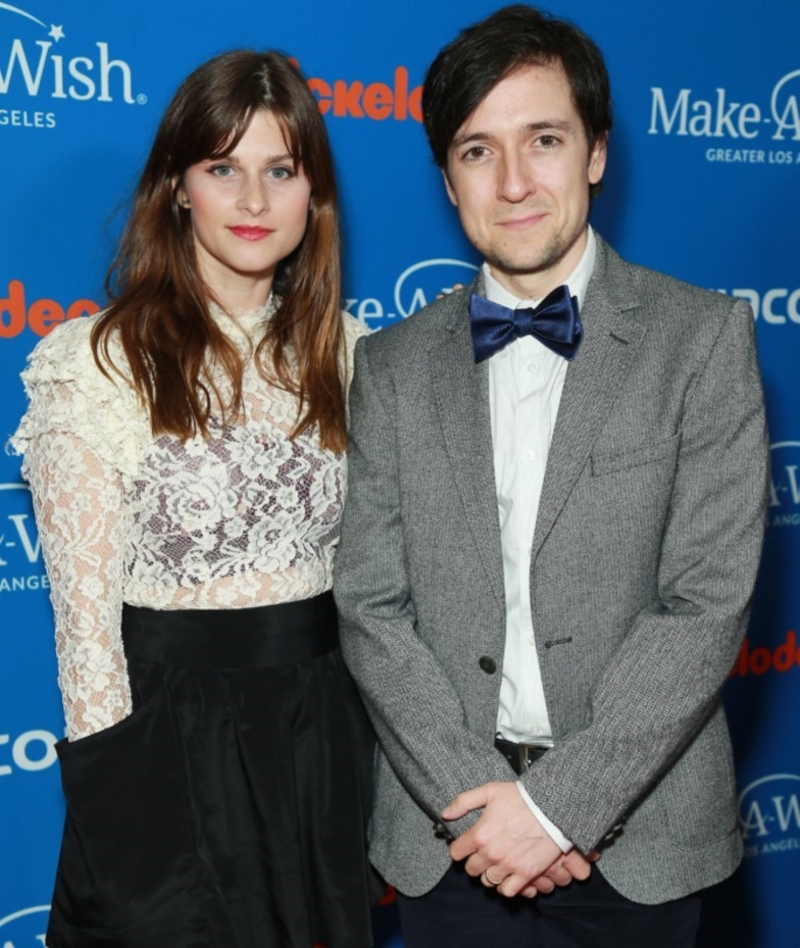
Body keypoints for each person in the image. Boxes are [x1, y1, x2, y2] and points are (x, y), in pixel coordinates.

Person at [333, 5, 769, 947]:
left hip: (642, 841)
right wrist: (482, 813)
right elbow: (371, 604)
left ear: (596, 153)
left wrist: (557, 810)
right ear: (448, 178)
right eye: (478, 150)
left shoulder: (704, 341)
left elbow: (704, 603)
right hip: (451, 839)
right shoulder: (392, 366)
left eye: (544, 140)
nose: (516, 181)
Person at [11, 49, 375, 948]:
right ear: (178, 186)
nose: (254, 201)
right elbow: (86, 644)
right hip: (168, 746)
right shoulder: (94, 365)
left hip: (320, 733)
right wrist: (128, 830)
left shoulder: (352, 353)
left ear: (312, 195)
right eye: (224, 168)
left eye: (280, 170)